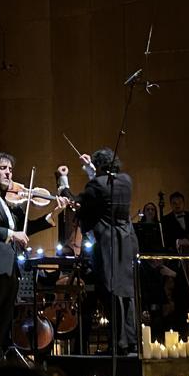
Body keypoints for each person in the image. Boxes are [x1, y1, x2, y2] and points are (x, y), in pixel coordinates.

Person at [0, 151, 63, 370]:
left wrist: (54, 212)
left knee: (1, 330)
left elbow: (26, 229)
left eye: (10, 169)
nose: (8, 173)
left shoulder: (10, 202)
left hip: (10, 269)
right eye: (3, 168)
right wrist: (10, 234)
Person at [61, 148, 137, 353]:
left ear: (99, 165)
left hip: (107, 245)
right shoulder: (126, 181)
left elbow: (77, 203)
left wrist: (63, 183)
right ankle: (130, 341)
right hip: (126, 242)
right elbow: (105, 190)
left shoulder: (96, 185)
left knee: (110, 292)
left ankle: (118, 344)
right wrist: (91, 170)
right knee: (126, 293)